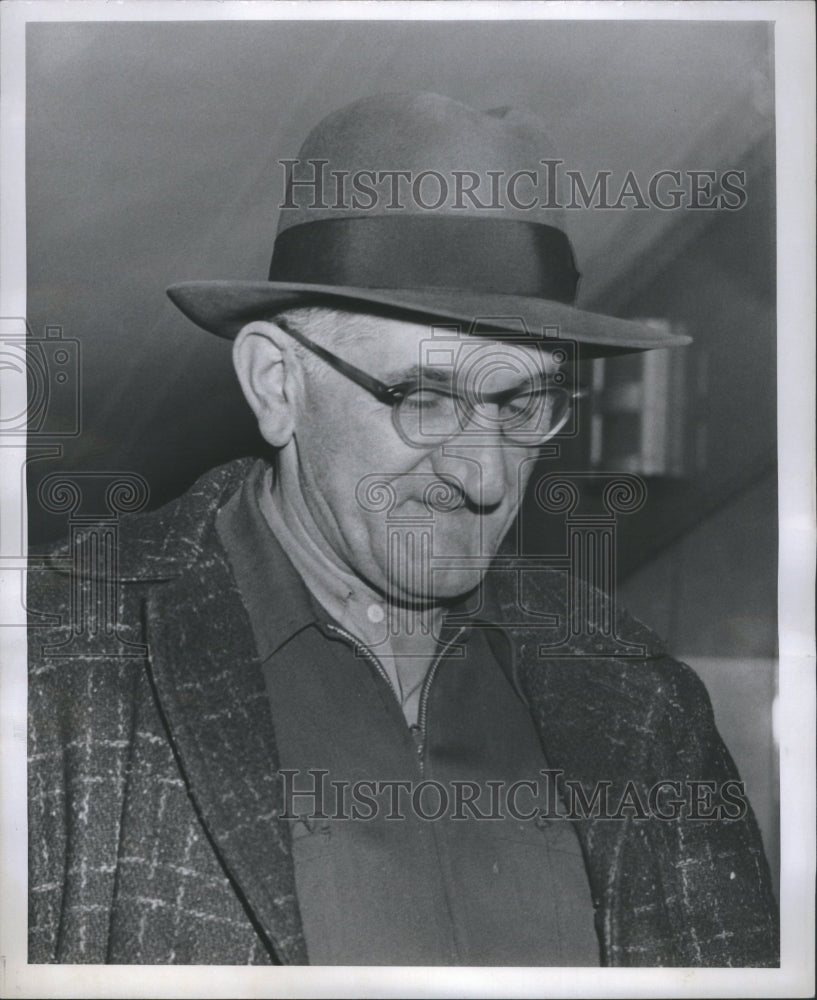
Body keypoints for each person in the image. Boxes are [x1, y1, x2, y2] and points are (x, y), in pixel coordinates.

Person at [27, 92, 778, 967]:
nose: (485, 477)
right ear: (276, 383)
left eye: (522, 400)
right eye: (422, 399)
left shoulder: (639, 697)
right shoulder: (53, 666)